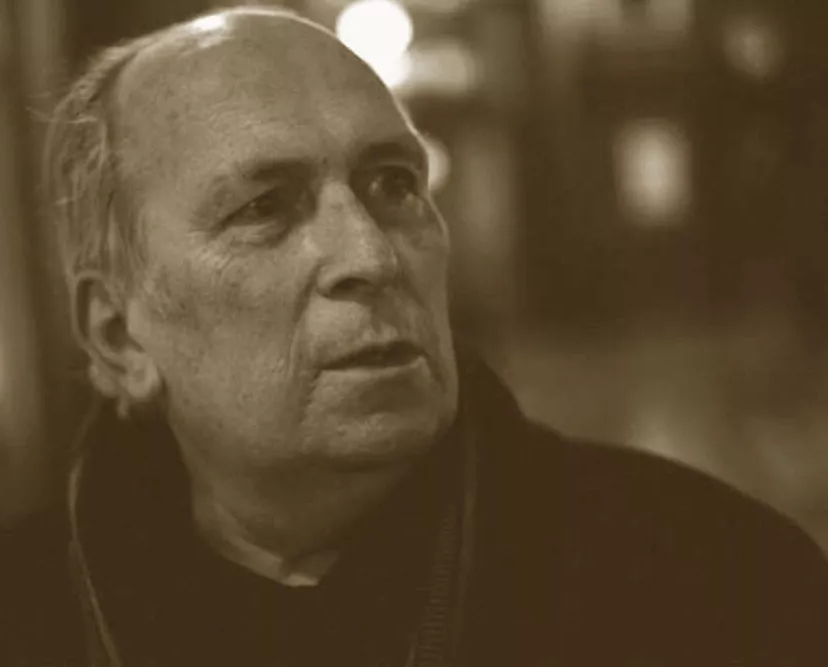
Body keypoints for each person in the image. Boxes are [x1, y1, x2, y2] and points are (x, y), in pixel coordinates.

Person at [45, 7, 828, 666]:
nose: (372, 256)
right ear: (119, 338)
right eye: (264, 207)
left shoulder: (717, 585)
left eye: (394, 184)